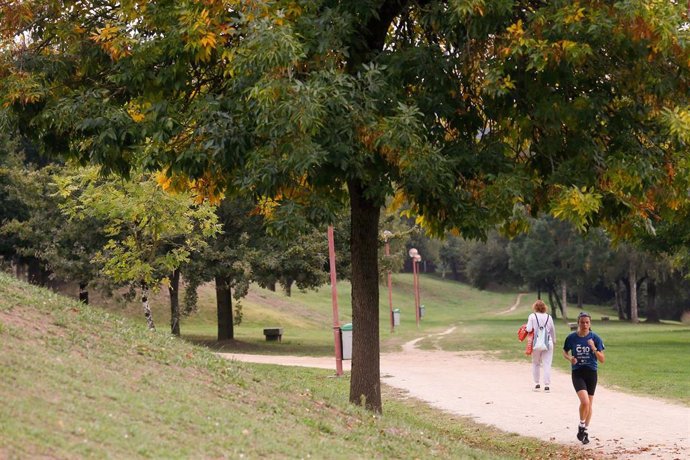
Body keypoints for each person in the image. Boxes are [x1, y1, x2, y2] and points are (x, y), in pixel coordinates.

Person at [562, 311, 606, 445]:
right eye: (582, 322)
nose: (585, 325)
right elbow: (564, 351)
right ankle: (581, 425)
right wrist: (570, 358)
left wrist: (593, 348)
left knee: (589, 405)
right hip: (578, 373)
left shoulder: (595, 338)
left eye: (587, 322)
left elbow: (602, 359)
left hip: (591, 373)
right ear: (578, 323)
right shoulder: (571, 338)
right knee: (585, 402)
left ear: (590, 323)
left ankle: (584, 431)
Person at [525, 299, 556, 392]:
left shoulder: (532, 316)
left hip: (536, 342)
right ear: (544, 308)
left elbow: (529, 329)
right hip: (548, 342)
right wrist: (554, 340)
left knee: (536, 363)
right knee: (547, 364)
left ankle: (536, 384)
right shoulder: (549, 317)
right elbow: (552, 330)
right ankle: (547, 385)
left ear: (535, 307)